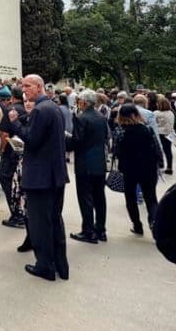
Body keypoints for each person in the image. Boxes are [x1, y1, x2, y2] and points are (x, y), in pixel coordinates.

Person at [7, 74, 69, 281]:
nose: (24, 89)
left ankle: (45, 266)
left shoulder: (42, 110)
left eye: (28, 85)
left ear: (39, 86)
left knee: (40, 224)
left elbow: (32, 139)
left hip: (41, 177)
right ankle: (60, 264)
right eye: (22, 85)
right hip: (54, 174)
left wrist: (15, 124)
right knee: (54, 220)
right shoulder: (53, 108)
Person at [68, 89, 110, 244]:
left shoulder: (81, 118)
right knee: (99, 197)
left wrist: (66, 140)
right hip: (99, 161)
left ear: (84, 102)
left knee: (85, 197)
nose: (78, 103)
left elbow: (77, 141)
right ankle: (100, 229)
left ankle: (88, 231)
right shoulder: (101, 116)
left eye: (79, 101)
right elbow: (105, 136)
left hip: (85, 162)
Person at [115, 104, 162, 235]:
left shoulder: (120, 131)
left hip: (129, 169)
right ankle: (154, 223)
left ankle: (137, 225)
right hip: (148, 167)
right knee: (151, 198)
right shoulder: (146, 129)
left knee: (130, 198)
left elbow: (117, 151)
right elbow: (155, 147)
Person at [0, 86, 26, 228]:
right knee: (21, 184)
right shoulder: (29, 108)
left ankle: (16, 213)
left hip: (11, 152)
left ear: (12, 97)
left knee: (6, 180)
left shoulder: (11, 110)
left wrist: (2, 150)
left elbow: (4, 134)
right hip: (25, 153)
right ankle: (22, 211)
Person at [154, 94, 176, 174]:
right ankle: (169, 167)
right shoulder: (171, 113)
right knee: (168, 151)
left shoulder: (156, 113)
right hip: (170, 133)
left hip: (160, 133)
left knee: (159, 150)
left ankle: (160, 165)